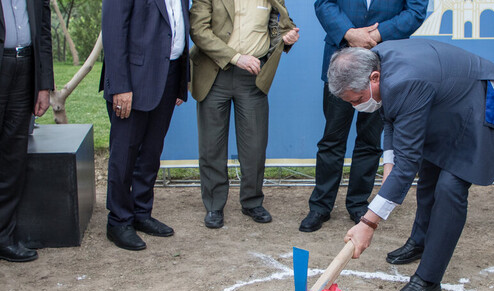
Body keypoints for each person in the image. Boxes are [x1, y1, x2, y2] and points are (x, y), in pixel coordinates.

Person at [331, 39, 494, 291]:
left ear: (374, 77)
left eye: (357, 100)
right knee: (429, 174)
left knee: (450, 187)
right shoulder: (377, 62)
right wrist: (389, 164)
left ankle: (429, 279)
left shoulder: (403, 81)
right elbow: (391, 118)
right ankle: (420, 241)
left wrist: (368, 223)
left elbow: (408, 165)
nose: (356, 106)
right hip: (453, 102)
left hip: (488, 102)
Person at [299, 0, 429, 233]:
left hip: (384, 61)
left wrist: (376, 35)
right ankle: (320, 205)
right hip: (341, 60)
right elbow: (324, 3)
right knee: (332, 139)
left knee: (370, 141)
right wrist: (349, 33)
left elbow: (416, 10)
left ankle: (358, 203)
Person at [190, 0, 299, 229]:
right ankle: (214, 205)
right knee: (211, 147)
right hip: (214, 72)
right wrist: (236, 57)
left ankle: (252, 202)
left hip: (253, 76)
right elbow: (198, 30)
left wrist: (286, 38)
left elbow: (278, 26)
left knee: (255, 146)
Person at [100, 0, 190, 251]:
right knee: (124, 153)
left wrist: (181, 81)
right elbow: (113, 30)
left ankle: (141, 212)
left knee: (151, 152)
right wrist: (119, 85)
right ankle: (118, 221)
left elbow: (178, 27)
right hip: (133, 80)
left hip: (168, 75)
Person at [0, 0, 53, 262]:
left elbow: (43, 31)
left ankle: (4, 237)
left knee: (13, 158)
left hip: (25, 69)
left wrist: (44, 86)